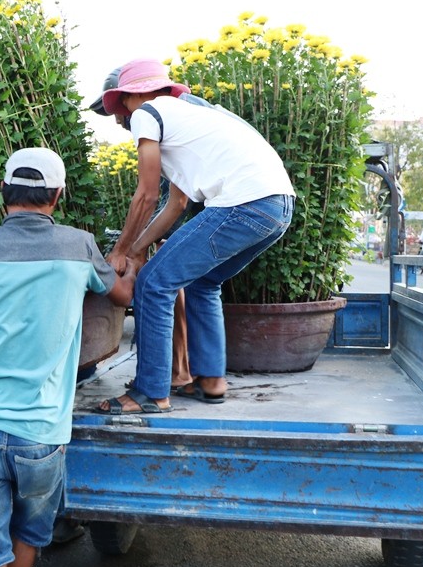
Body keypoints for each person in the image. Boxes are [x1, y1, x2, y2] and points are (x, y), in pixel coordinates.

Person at [0, 148, 136, 567]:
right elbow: (120, 295)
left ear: (3, 194)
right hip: (41, 435)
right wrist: (127, 263)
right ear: (56, 195)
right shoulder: (78, 245)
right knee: (30, 535)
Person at [96, 58, 295, 414]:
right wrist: (138, 251)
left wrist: (120, 250)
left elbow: (146, 195)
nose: (117, 120)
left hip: (243, 202)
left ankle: (150, 393)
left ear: (130, 96)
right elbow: (176, 204)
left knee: (154, 285)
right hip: (277, 205)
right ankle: (210, 381)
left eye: (116, 108)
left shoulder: (147, 112)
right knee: (203, 283)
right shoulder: (185, 122)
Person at [89, 67, 194, 391]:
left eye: (119, 113)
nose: (120, 121)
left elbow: (164, 199)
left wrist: (132, 247)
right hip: (181, 219)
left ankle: (174, 374)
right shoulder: (165, 122)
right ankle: (183, 372)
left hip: (185, 221)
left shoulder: (154, 124)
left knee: (163, 287)